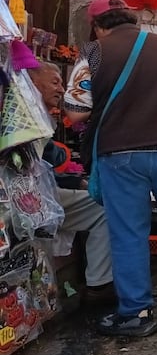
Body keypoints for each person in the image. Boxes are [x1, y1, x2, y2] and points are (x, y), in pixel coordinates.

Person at [63, 0, 157, 338]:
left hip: (123, 151)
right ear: (132, 20)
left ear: (97, 27)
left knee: (129, 230)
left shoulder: (95, 53)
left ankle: (137, 311)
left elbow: (76, 112)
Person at [29, 62, 115, 305]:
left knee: (101, 204)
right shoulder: (29, 114)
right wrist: (59, 154)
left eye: (62, 83)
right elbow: (49, 158)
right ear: (34, 83)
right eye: (54, 82)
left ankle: (98, 285)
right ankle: (99, 284)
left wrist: (74, 178)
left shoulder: (37, 112)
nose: (60, 89)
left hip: (39, 193)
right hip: (30, 198)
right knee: (103, 207)